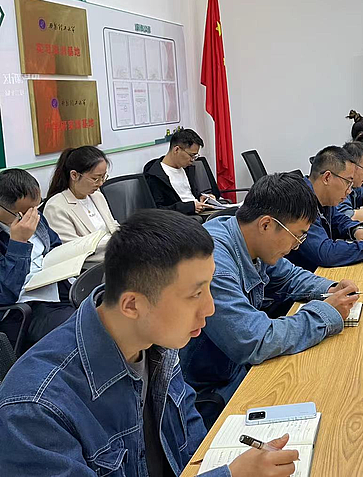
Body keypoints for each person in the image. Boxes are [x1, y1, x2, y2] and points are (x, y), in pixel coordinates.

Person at [0, 209, 301, 476]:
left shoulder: (159, 344)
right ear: (132, 305)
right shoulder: (34, 410)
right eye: (195, 294)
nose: (210, 308)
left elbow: (193, 451)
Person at [181, 172, 360, 427]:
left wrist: (331, 288)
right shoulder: (215, 264)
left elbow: (289, 276)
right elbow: (256, 340)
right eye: (297, 236)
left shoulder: (247, 238)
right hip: (214, 390)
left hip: (235, 371)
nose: (297, 246)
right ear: (266, 224)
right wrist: (325, 314)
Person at [286, 146, 363, 272]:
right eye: (348, 182)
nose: (349, 191)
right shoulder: (300, 202)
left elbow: (338, 220)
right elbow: (325, 253)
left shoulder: (324, 198)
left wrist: (356, 230)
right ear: (327, 178)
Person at [0, 169, 74, 350]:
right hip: (23, 307)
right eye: (24, 213)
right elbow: (5, 295)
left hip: (53, 287)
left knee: (102, 304)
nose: (33, 217)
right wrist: (19, 243)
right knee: (76, 326)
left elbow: (53, 244)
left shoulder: (33, 215)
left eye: (36, 208)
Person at [44, 146, 119, 260]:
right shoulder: (56, 207)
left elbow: (112, 226)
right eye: (95, 178)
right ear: (74, 175)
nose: (100, 183)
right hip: (90, 264)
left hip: (113, 255)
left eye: (103, 177)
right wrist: (118, 246)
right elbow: (73, 250)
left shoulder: (97, 196)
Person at [144, 128, 215, 216]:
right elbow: (158, 210)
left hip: (199, 213)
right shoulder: (156, 176)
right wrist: (190, 207)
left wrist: (202, 197)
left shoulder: (187, 168)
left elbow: (190, 194)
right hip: (182, 218)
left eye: (195, 156)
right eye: (191, 155)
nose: (192, 160)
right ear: (176, 150)